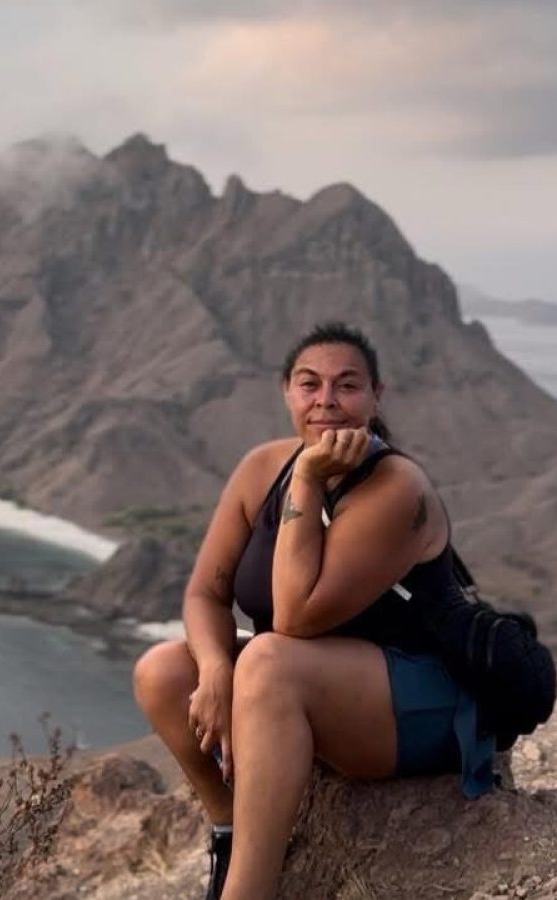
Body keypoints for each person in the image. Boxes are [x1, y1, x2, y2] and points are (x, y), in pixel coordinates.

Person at [132, 321, 496, 900]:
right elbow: (205, 593)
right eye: (309, 384)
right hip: (329, 687)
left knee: (270, 659)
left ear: (378, 396)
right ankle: (230, 830)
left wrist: (306, 477)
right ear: (286, 392)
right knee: (163, 672)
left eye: (347, 385)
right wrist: (218, 669)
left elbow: (295, 617)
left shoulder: (396, 488)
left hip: (427, 699)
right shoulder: (260, 468)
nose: (326, 400)